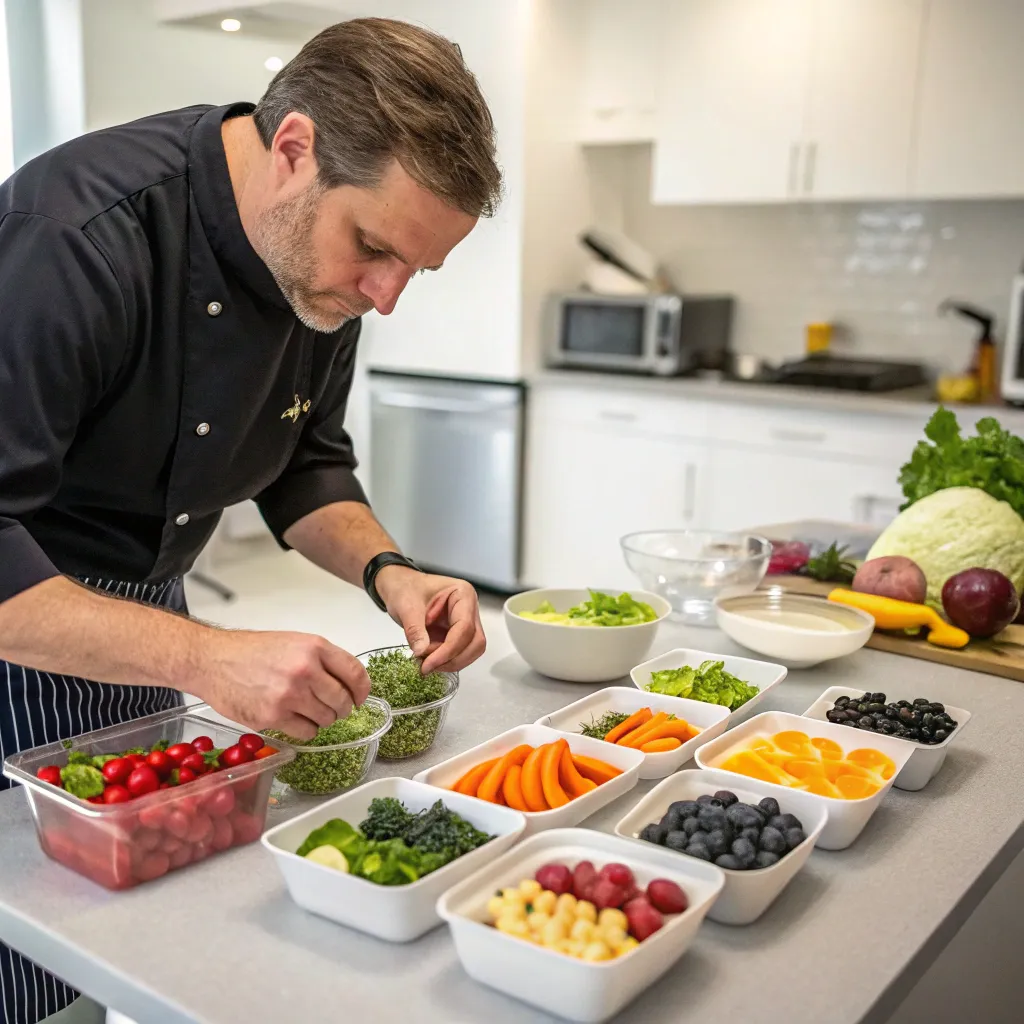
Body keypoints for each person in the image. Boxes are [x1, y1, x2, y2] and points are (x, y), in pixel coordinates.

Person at [0, 17, 501, 1024]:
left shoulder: (326, 283)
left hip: (150, 622)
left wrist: (389, 573)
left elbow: (307, 463)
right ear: (293, 149)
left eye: (413, 269)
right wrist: (207, 657)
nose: (384, 297)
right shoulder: (78, 234)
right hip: (23, 622)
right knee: (30, 953)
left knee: (135, 931)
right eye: (372, 250)